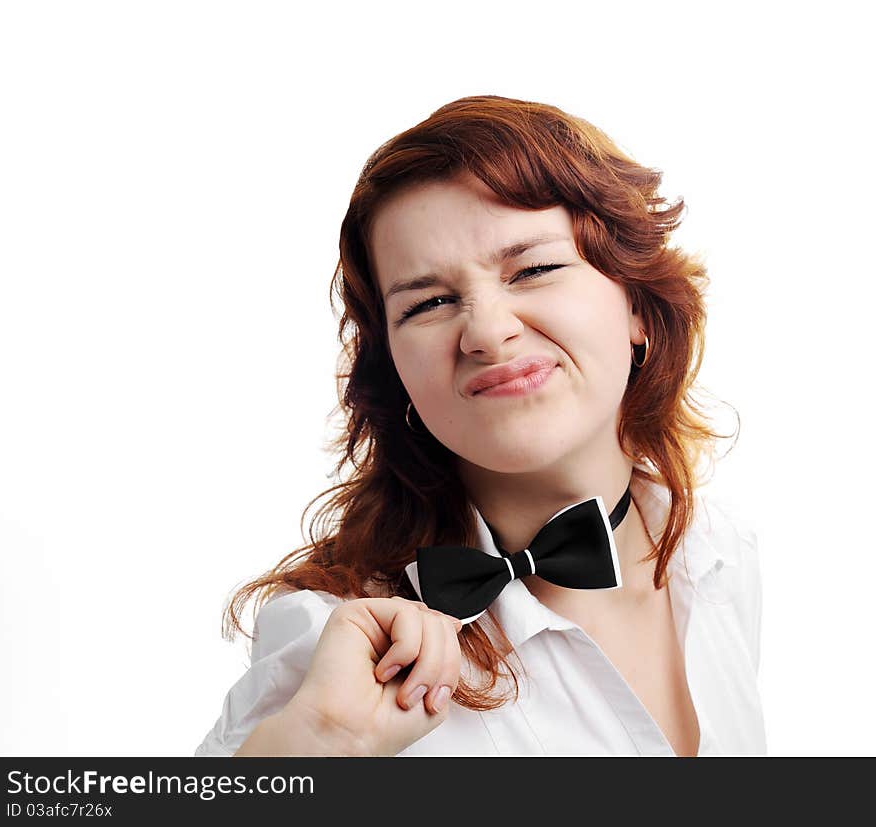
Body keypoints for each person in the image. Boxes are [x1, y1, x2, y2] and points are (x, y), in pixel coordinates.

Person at [195, 94, 766, 758]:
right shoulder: (331, 650)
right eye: (431, 302)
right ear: (395, 369)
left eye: (534, 269)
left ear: (638, 306)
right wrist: (324, 741)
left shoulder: (719, 555)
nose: (489, 333)